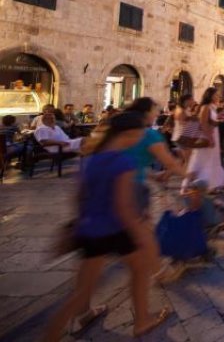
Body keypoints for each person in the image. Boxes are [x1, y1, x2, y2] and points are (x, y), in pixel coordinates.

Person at [43, 112, 170, 341]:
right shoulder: (122, 161)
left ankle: (47, 337)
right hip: (115, 229)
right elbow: (123, 207)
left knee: (80, 293)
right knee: (141, 269)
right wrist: (140, 233)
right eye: (138, 135)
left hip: (90, 229)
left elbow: (79, 196)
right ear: (129, 134)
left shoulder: (92, 156)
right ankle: (141, 321)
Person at [123, 98, 188, 216]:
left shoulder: (125, 131)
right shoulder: (149, 135)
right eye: (155, 110)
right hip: (133, 187)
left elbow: (133, 159)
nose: (158, 114)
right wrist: (189, 178)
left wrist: (151, 175)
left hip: (115, 184)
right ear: (147, 112)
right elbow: (171, 164)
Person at [182, 88, 224, 192]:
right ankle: (190, 184)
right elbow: (202, 124)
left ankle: (210, 185)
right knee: (200, 160)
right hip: (206, 137)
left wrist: (219, 117)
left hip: (212, 135)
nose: (218, 96)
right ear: (210, 95)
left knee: (210, 160)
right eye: (216, 95)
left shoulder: (212, 107)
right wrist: (210, 138)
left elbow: (210, 121)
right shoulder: (205, 107)